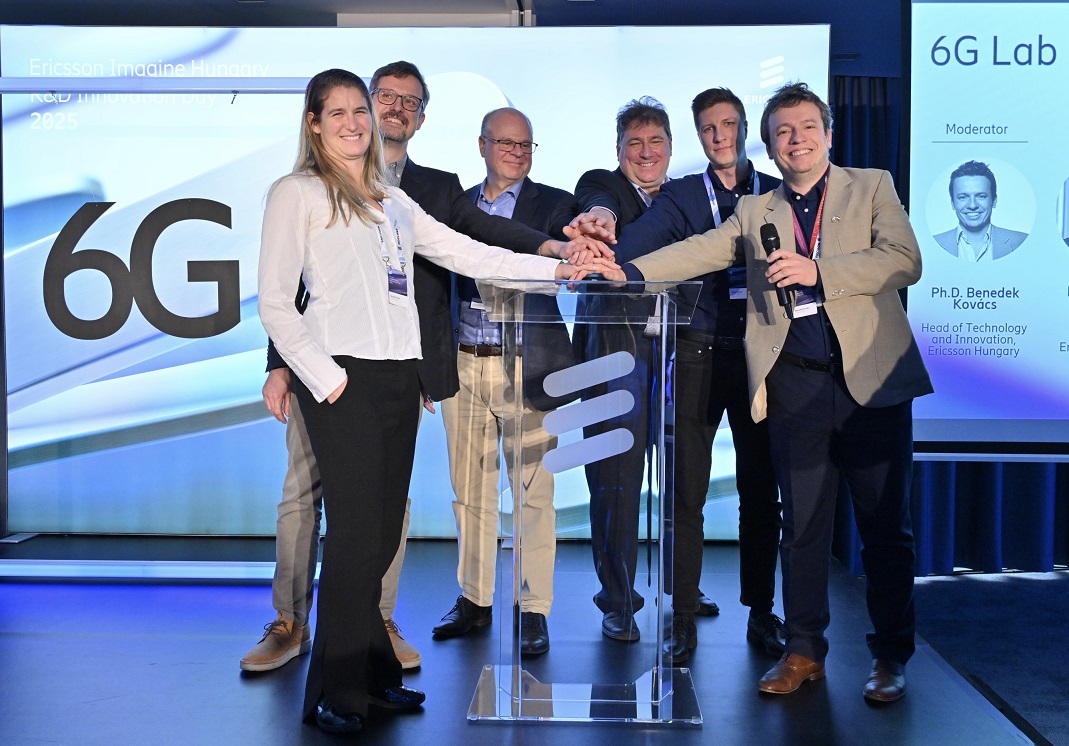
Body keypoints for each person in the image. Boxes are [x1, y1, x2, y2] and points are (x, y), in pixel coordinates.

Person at [257, 68, 610, 735]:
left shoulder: (392, 200)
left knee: (382, 534)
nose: (354, 123)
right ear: (313, 123)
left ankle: (375, 677)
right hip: (342, 382)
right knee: (355, 539)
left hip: (400, 378)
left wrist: (561, 268)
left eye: (358, 111)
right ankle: (335, 690)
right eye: (338, 113)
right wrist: (324, 379)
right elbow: (275, 301)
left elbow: (472, 253)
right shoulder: (296, 192)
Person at [600, 82, 933, 703]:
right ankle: (804, 649)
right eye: (783, 132)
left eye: (806, 128)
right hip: (795, 386)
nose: (796, 140)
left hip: (871, 384)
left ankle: (890, 655)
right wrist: (627, 270)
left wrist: (819, 272)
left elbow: (903, 260)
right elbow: (700, 249)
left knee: (885, 530)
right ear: (771, 146)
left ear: (828, 135)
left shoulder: (871, 186)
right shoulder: (757, 210)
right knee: (801, 528)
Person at [570, 87, 784, 664]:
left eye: (729, 125)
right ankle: (658, 606)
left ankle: (749, 606)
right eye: (709, 128)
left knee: (749, 490)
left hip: (746, 352)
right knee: (666, 486)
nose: (720, 136)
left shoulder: (768, 191)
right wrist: (600, 245)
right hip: (673, 351)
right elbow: (614, 218)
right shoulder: (671, 194)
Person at [432, 107, 584, 656]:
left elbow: (575, 228)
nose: (517, 153)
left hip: (528, 364)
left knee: (533, 494)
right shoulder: (455, 207)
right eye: (506, 143)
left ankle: (533, 607)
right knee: (470, 490)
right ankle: (475, 599)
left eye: (526, 145)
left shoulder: (554, 204)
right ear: (482, 145)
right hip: (462, 362)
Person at [570, 97, 681, 643]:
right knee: (614, 482)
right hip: (613, 351)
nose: (645, 152)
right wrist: (603, 218)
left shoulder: (686, 197)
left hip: (680, 348)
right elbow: (599, 203)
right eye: (634, 143)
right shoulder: (601, 185)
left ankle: (683, 588)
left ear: (670, 148)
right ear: (618, 151)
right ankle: (618, 599)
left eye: (655, 141)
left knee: (683, 479)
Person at [933, 160, 1027, 260]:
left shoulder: (1022, 242)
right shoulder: (934, 244)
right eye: (963, 197)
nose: (972, 205)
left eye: (981, 196)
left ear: (994, 201)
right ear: (953, 203)